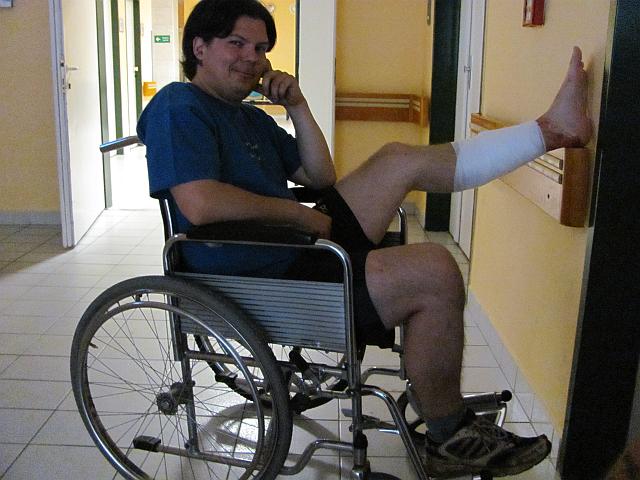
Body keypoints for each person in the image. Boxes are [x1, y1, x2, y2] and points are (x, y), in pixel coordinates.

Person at [137, 0, 592, 477]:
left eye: (261, 48)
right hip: (252, 268)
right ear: (199, 47)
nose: (253, 58)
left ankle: (549, 132)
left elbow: (320, 175)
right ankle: (448, 435)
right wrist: (296, 215)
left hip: (290, 247)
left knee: (397, 158)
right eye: (237, 44)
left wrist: (298, 106)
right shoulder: (178, 105)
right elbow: (200, 203)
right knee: (435, 270)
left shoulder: (249, 117)